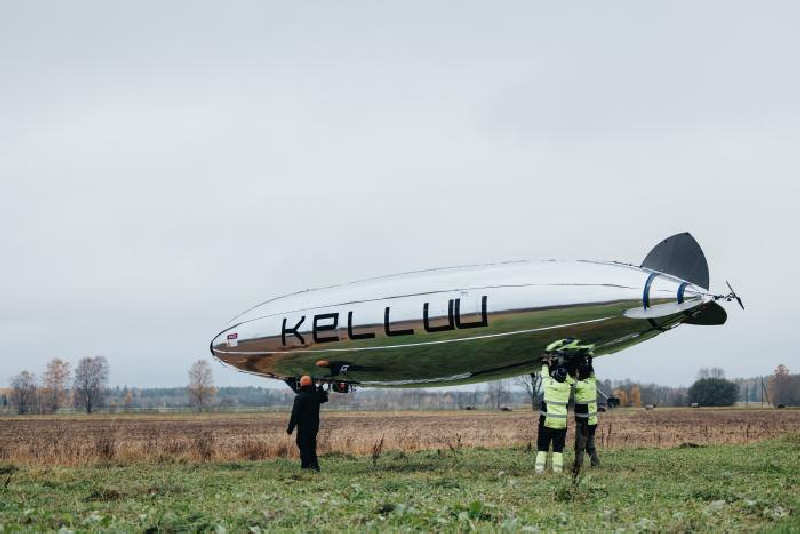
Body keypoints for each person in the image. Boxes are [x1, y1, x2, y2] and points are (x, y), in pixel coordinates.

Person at [535, 357, 574, 474]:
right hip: (561, 424)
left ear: (555, 376)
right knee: (558, 449)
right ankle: (557, 470)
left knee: (543, 447)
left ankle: (539, 470)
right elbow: (572, 382)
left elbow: (545, 375)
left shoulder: (548, 385)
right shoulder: (567, 388)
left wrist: (545, 363)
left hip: (547, 422)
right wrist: (565, 373)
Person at [286, 375, 328, 471]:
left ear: (301, 385)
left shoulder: (300, 397)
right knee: (312, 446)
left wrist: (290, 428)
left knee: (303, 446)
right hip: (314, 427)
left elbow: (295, 414)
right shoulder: (315, 396)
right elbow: (324, 398)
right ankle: (315, 466)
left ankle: (306, 466)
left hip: (303, 427)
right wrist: (321, 387)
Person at [572, 357, 600, 475]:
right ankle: (595, 463)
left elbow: (571, 381)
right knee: (591, 444)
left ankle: (578, 464)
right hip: (593, 421)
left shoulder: (579, 386)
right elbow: (592, 373)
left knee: (580, 445)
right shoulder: (592, 382)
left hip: (583, 422)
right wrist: (589, 362)